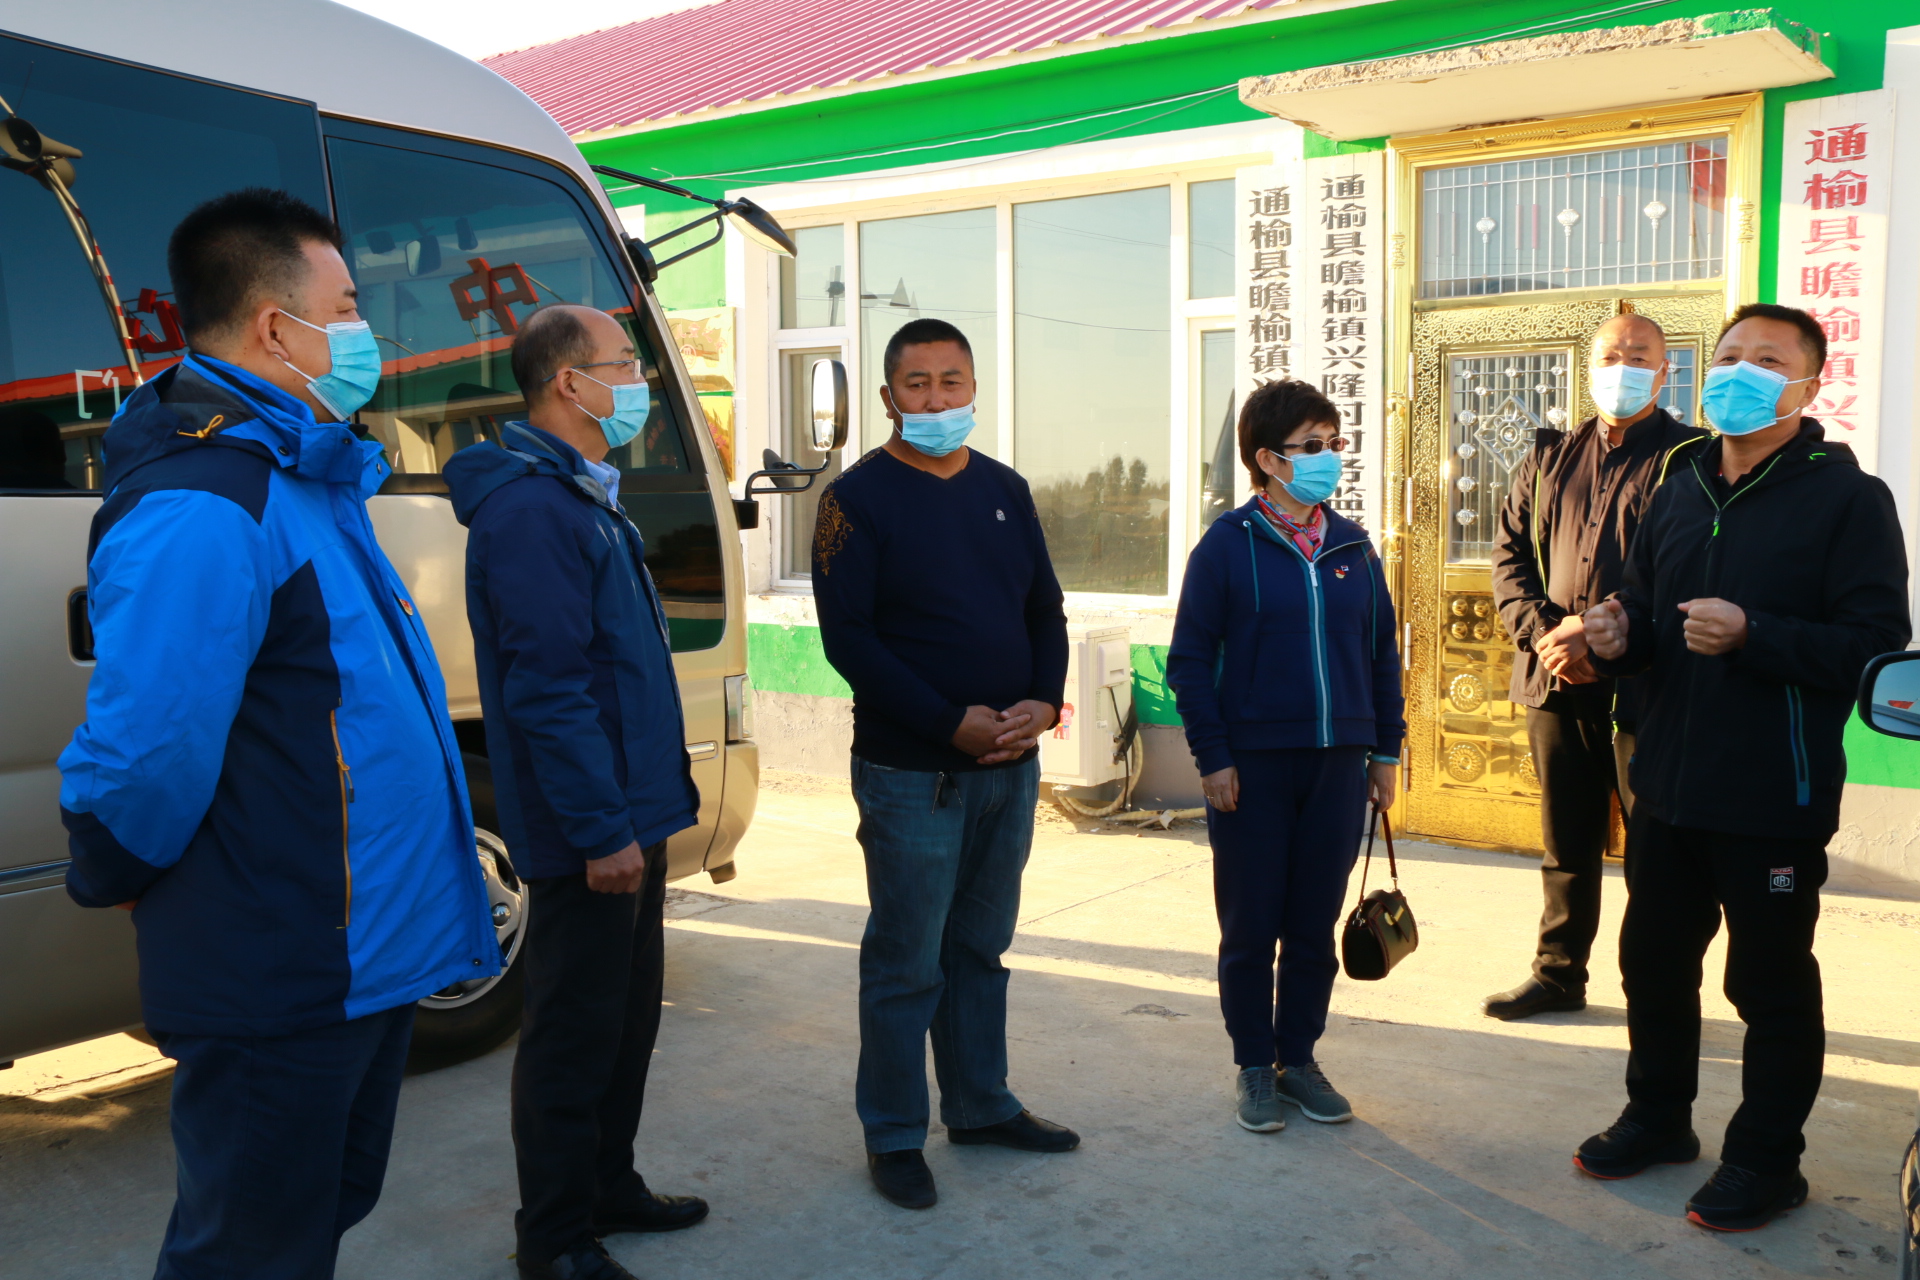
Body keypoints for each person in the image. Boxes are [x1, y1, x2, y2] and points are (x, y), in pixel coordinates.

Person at [57, 189, 498, 1280]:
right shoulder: (206, 504)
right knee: (247, 1251)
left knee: (312, 1218)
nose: (363, 333)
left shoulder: (300, 475)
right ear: (274, 327)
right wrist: (116, 865)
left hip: (355, 954)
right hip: (284, 961)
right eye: (346, 309)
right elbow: (143, 753)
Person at [1577, 303, 1910, 1230]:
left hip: (1773, 793)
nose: (1740, 372)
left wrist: (1755, 634)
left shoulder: (1850, 500)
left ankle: (1767, 1161)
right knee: (1652, 964)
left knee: (1767, 985)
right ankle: (1658, 1118)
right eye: (1728, 355)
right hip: (1667, 780)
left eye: (1767, 359)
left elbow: (1876, 643)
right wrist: (1618, 633)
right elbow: (1645, 609)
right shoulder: (1677, 483)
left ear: (1808, 384)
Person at [443, 304, 706, 1280]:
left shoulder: (584, 495)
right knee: (571, 1032)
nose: (637, 381)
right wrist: (600, 829)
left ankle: (607, 1184)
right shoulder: (531, 512)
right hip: (590, 829)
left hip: (632, 812)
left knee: (625, 1020)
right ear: (569, 382)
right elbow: (548, 690)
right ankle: (553, 1237)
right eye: (624, 363)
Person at [812, 317, 1075, 1211]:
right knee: (906, 959)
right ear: (889, 398)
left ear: (973, 389)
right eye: (916, 385)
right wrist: (942, 722)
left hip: (1008, 766)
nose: (935, 399)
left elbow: (1044, 610)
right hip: (910, 774)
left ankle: (980, 1104)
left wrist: (1044, 701)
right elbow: (849, 639)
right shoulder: (854, 500)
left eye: (950, 381)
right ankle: (893, 1134)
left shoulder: (1005, 489)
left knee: (979, 949)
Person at [1166, 379, 1403, 1135]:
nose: (1329, 457)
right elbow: (1189, 661)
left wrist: (1385, 749)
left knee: (1311, 927)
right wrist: (1213, 756)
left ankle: (1297, 1060)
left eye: (1334, 443)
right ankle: (1252, 1066)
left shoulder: (1353, 547)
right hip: (1253, 768)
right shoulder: (1226, 547)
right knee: (1250, 927)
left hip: (1337, 765)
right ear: (1267, 460)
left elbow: (1381, 654)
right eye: (1311, 446)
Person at [1484, 313, 1707, 1021]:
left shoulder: (1691, 459)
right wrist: (1548, 636)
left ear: (1665, 372)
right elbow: (1509, 558)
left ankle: (1659, 991)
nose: (1623, 369)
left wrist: (1596, 631)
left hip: (1648, 688)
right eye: (1610, 355)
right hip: (1554, 678)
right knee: (1566, 842)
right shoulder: (1548, 457)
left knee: (1657, 853)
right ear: (1588, 367)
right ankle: (1558, 975)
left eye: (1639, 356)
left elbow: (1688, 570)